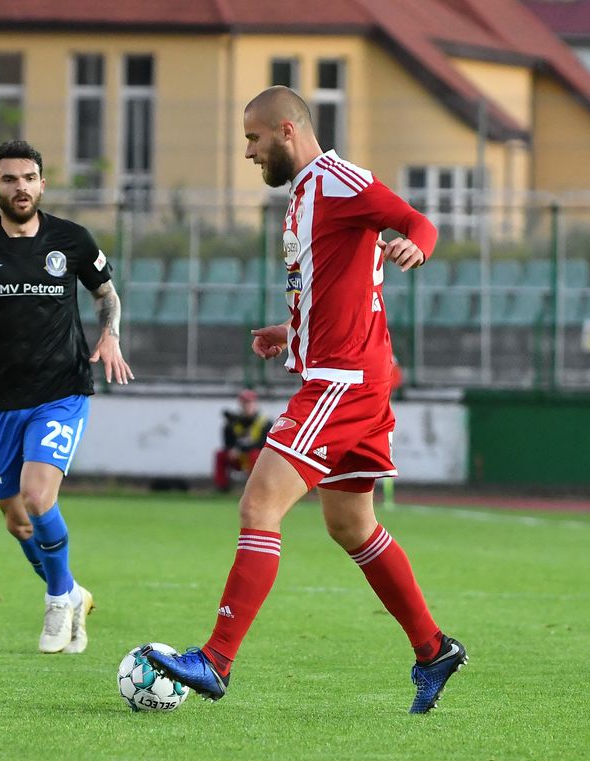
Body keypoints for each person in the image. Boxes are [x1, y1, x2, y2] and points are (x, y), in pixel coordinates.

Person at [144, 87, 465, 714]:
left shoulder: (341, 180)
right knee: (351, 524)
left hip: (342, 383)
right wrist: (286, 333)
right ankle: (434, 650)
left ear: (287, 131)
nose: (247, 152)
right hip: (346, 374)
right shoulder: (300, 197)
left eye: (253, 139)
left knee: (259, 502)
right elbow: (328, 285)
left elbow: (416, 221)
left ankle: (215, 659)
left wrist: (416, 246)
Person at [0, 140, 134, 654]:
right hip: (0, 397)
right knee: (15, 515)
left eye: (29, 178)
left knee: (38, 496)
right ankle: (73, 591)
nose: (20, 187)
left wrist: (109, 334)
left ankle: (55, 599)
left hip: (61, 389)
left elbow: (105, 293)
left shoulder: (72, 239)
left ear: (43, 184)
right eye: (9, 179)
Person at [214, 389, 270, 492]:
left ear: (255, 403)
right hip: (238, 458)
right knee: (220, 454)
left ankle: (255, 488)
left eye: (250, 402)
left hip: (256, 458)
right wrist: (231, 449)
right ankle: (222, 488)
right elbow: (227, 442)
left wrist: (241, 449)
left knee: (255, 454)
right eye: (244, 403)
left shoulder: (264, 422)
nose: (247, 406)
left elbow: (263, 444)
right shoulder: (233, 422)